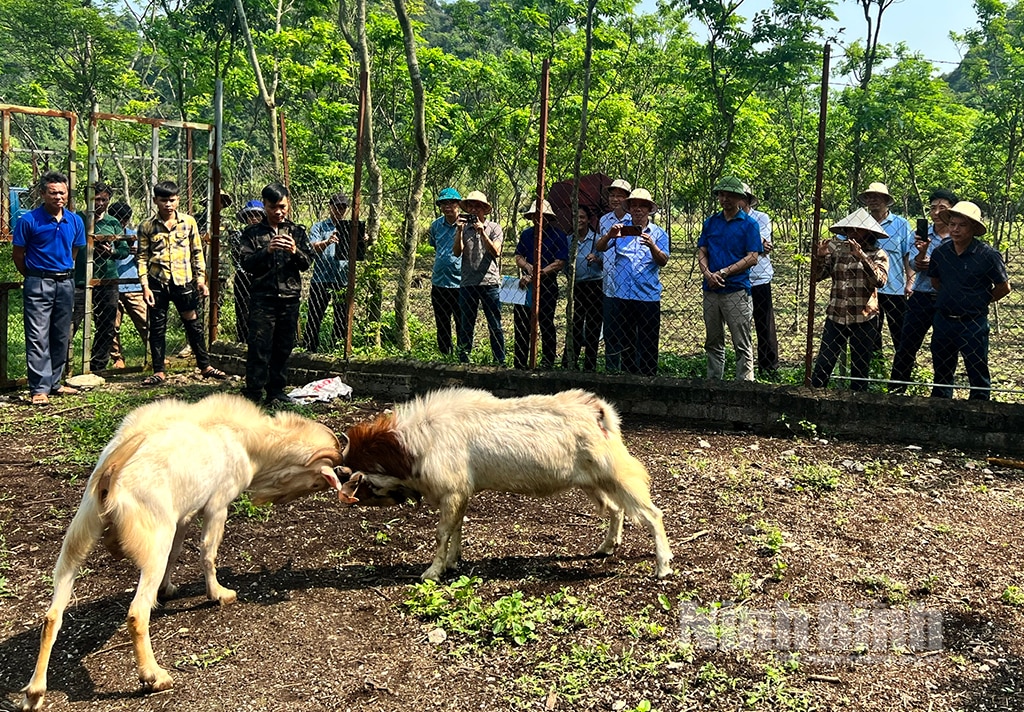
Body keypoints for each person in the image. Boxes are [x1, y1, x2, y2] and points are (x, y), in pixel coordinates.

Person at [137, 180, 227, 386]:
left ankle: (205, 366)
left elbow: (197, 252)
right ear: (155, 201)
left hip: (183, 282)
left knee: (193, 324)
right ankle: (159, 371)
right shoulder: (147, 226)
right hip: (157, 282)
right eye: (163, 201)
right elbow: (142, 257)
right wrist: (144, 286)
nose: (168, 205)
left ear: (178, 200)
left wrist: (201, 280)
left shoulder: (188, 222)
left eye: (172, 200)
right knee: (157, 327)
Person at [12, 171, 85, 405]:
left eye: (62, 192)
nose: (58, 197)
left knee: (61, 334)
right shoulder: (29, 221)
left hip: (65, 282)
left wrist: (61, 272)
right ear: (43, 193)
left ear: (68, 193)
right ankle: (39, 388)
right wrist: (36, 276)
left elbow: (74, 251)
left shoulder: (75, 221)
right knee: (37, 335)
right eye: (53, 193)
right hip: (38, 282)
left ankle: (55, 382)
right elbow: (18, 255)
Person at [239, 182, 314, 405]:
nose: (279, 212)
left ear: (288, 204)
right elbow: (246, 264)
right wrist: (267, 250)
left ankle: (277, 390)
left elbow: (307, 262)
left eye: (282, 206)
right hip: (263, 298)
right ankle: (253, 391)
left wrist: (294, 250)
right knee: (259, 346)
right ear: (265, 206)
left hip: (289, 298)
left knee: (283, 346)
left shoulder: (297, 232)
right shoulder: (252, 233)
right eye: (273, 207)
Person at [928, 201, 1011, 400]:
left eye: (962, 225)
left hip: (973, 322)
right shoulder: (941, 253)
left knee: (977, 369)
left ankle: (980, 413)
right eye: (952, 224)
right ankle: (940, 412)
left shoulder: (988, 255)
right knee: (942, 371)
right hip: (944, 320)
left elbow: (1004, 287)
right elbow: (935, 280)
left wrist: (979, 300)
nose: (955, 229)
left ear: (973, 228)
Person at [810, 209, 890, 391]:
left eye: (857, 230)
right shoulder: (838, 253)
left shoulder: (878, 254)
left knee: (860, 370)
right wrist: (820, 257)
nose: (852, 234)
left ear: (869, 233)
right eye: (849, 230)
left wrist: (861, 256)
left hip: (864, 318)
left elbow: (879, 281)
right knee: (823, 364)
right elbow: (817, 276)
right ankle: (813, 402)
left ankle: (857, 409)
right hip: (836, 316)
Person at [888, 189, 958, 394]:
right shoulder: (920, 234)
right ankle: (896, 391)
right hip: (921, 294)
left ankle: (941, 397)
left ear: (952, 211)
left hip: (946, 298)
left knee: (944, 350)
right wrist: (922, 257)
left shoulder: (958, 235)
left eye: (942, 208)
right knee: (906, 345)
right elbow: (913, 264)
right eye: (932, 208)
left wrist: (937, 265)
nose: (936, 212)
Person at [596, 188, 669, 376]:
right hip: (622, 295)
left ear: (649, 210)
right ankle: (629, 377)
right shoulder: (621, 229)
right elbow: (600, 247)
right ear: (629, 208)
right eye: (634, 205)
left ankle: (648, 377)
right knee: (626, 340)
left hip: (647, 295)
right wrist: (609, 235)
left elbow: (663, 261)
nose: (637, 210)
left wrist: (652, 246)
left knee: (648, 340)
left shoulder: (659, 234)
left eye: (642, 206)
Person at [696, 176, 760, 381]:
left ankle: (745, 384)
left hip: (736, 289)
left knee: (741, 341)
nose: (725, 199)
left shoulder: (749, 225)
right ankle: (714, 382)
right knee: (713, 340)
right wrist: (707, 273)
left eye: (730, 195)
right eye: (722, 195)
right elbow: (702, 250)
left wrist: (724, 272)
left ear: (740, 198)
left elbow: (752, 257)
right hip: (711, 289)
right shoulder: (711, 222)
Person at [859, 182, 913, 355]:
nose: (873, 200)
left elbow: (907, 254)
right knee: (871, 335)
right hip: (867, 289)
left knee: (901, 334)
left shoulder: (901, 224)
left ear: (886, 200)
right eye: (869, 196)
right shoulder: (860, 222)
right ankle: (876, 370)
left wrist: (910, 281)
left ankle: (902, 373)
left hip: (895, 288)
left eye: (877, 196)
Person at [513, 199, 568, 369]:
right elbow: (518, 256)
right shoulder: (526, 234)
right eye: (535, 216)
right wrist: (528, 267)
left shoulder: (558, 235)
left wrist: (539, 273)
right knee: (522, 324)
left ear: (547, 217)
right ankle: (520, 361)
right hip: (526, 284)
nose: (539, 219)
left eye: (542, 216)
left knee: (546, 323)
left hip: (547, 284)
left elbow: (560, 262)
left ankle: (547, 361)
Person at [80, 183, 129, 372]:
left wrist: (112, 251)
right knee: (73, 322)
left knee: (107, 323)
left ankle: (98, 366)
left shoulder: (113, 223)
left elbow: (124, 249)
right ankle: (64, 367)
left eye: (104, 199)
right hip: (81, 279)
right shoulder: (77, 219)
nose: (100, 203)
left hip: (107, 278)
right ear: (87, 199)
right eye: (96, 199)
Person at [454, 190, 505, 365]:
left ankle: (500, 360)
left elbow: (496, 252)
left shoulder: (494, 228)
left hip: (489, 282)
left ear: (484, 209)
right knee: (466, 325)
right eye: (471, 206)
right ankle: (463, 360)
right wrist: (460, 231)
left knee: (495, 325)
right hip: (468, 282)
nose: (474, 210)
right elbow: (457, 252)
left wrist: (482, 233)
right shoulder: (463, 228)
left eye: (478, 206)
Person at [739, 184, 780, 380]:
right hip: (737, 278)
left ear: (747, 200)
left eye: (740, 198)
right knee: (740, 325)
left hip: (759, 278)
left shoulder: (761, 217)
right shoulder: (729, 220)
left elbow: (762, 245)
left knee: (764, 324)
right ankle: (746, 367)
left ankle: (769, 367)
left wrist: (751, 244)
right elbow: (757, 245)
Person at [304, 192, 352, 352]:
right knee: (314, 316)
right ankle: (309, 348)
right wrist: (328, 241)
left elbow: (357, 253)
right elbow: (312, 247)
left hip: (342, 280)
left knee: (341, 318)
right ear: (330, 207)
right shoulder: (319, 227)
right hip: (321, 279)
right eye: (337, 206)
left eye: (343, 207)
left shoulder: (350, 228)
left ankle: (337, 349)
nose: (340, 210)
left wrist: (361, 240)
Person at [107, 202, 148, 369]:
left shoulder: (134, 236)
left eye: (124, 220)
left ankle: (154, 353)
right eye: (117, 219)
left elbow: (148, 258)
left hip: (134, 286)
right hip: (111, 285)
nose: (121, 223)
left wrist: (138, 252)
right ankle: (117, 358)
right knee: (112, 326)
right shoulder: (105, 236)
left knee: (145, 321)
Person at [564, 205, 604, 371]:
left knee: (594, 325)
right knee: (576, 324)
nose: (578, 220)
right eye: (575, 217)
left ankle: (590, 365)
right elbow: (564, 264)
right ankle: (570, 362)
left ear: (588, 219)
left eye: (582, 217)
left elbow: (605, 265)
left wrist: (596, 259)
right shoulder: (568, 240)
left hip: (595, 285)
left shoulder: (598, 239)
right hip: (577, 286)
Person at [598, 178, 632, 371]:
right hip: (608, 282)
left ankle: (628, 369)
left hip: (629, 283)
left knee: (628, 330)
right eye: (612, 195)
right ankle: (611, 368)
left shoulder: (633, 221)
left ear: (627, 199)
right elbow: (606, 248)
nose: (615, 199)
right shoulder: (604, 220)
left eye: (620, 195)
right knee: (611, 330)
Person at [428, 187, 462, 356]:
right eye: (444, 203)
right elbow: (435, 245)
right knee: (442, 322)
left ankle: (464, 355)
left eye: (451, 203)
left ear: (458, 204)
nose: (448, 207)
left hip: (460, 283)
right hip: (439, 281)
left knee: (462, 322)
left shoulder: (466, 224)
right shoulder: (436, 226)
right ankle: (445, 355)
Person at [229, 199, 264, 344]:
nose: (254, 218)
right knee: (243, 311)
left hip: (263, 276)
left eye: (257, 215)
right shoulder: (238, 235)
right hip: (244, 275)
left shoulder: (268, 235)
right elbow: (236, 258)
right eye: (250, 215)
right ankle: (243, 341)